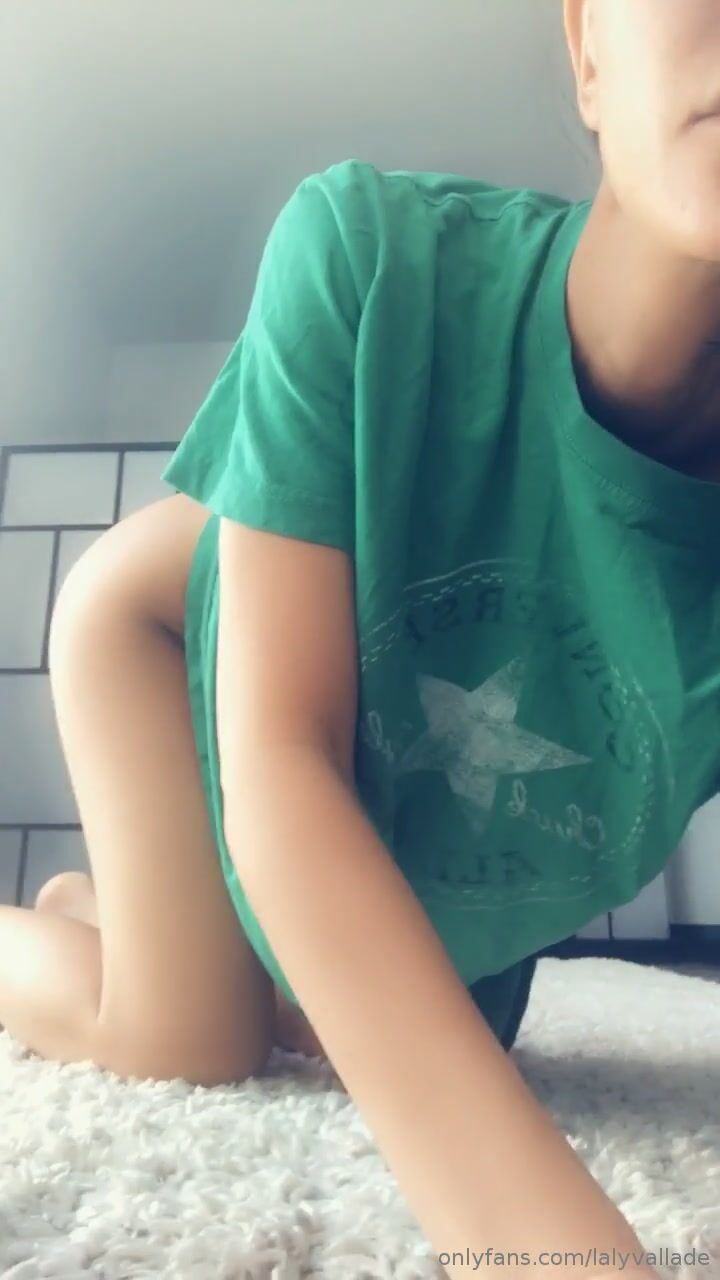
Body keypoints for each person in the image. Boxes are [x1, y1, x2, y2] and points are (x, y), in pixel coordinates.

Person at [0, 1, 717, 1276]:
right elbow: (281, 767)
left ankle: (119, 905)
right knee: (188, 1037)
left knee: (372, 1027)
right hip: (175, 637)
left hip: (432, 829)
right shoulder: (376, 256)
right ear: (587, 47)